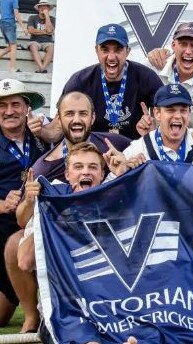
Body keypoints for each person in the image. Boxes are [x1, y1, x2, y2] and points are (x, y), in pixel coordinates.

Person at [16, 142, 143, 344]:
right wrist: (56, 218)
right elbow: (24, 262)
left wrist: (123, 178)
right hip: (66, 309)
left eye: (93, 167)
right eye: (78, 167)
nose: (86, 172)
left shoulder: (115, 202)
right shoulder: (50, 202)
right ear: (67, 174)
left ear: (102, 175)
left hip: (112, 306)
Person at [36, 24, 163, 142]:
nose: (111, 57)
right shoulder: (80, 82)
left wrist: (154, 127)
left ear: (127, 51)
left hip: (135, 154)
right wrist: (39, 130)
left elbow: (167, 120)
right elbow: (56, 130)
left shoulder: (147, 78)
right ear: (96, 50)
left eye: (118, 50)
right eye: (105, 50)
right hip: (92, 155)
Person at [0, 79, 49, 332]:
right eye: (3, 106)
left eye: (15, 104)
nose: (9, 111)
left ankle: (37, 313)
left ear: (27, 108)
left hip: (40, 224)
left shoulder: (43, 134)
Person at [140, 21, 193, 132]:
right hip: (157, 140)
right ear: (173, 45)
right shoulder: (152, 67)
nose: (188, 51)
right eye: (183, 44)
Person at [31, 91, 131, 183]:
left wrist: (126, 172)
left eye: (83, 114)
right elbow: (25, 201)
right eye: (69, 114)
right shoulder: (43, 170)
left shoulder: (116, 144)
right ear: (59, 120)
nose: (76, 120)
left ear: (92, 118)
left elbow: (144, 165)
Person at [122, 84, 193, 166]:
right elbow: (112, 182)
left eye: (183, 110)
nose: (177, 116)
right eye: (170, 110)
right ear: (157, 113)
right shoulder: (138, 150)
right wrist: (124, 173)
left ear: (189, 113)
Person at [26, 0, 55, 73]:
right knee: (33, 46)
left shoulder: (52, 19)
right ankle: (42, 68)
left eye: (45, 7)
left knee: (51, 48)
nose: (42, 8)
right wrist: (45, 32)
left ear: (48, 9)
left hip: (48, 42)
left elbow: (49, 30)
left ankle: (42, 68)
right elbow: (31, 30)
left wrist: (47, 16)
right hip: (35, 41)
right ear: (38, 8)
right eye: (41, 6)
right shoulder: (32, 17)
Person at [0, 0, 26, 73]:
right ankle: (13, 68)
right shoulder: (14, 0)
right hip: (10, 23)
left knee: (11, 46)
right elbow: (16, 13)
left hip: (3, 23)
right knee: (13, 46)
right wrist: (23, 27)